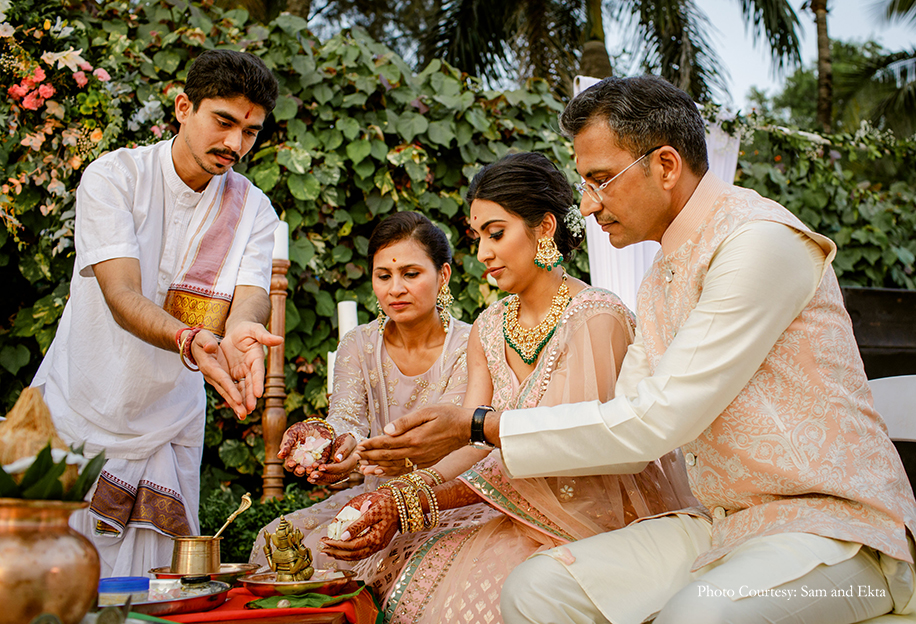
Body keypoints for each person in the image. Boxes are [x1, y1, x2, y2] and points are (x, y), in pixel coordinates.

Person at [357, 76, 916, 624]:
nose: (587, 204)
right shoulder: (660, 277)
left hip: (832, 529)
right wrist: (442, 452)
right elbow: (624, 430)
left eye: (600, 180)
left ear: (666, 166)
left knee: (700, 615)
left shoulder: (758, 242)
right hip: (723, 522)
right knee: (536, 588)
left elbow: (655, 421)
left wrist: (477, 425)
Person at [322, 153, 697, 624]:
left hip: (590, 516)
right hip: (510, 505)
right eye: (478, 237)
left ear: (545, 229)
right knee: (409, 566)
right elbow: (472, 440)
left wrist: (411, 502)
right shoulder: (489, 325)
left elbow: (567, 449)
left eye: (496, 234)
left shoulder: (595, 317)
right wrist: (411, 488)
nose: (482, 253)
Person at [31, 49, 284, 577]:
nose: (235, 144)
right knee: (53, 582)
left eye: (250, 132)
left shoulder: (254, 209)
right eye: (224, 122)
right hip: (81, 407)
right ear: (183, 107)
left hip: (169, 426)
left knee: (157, 590)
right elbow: (122, 295)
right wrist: (190, 340)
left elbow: (250, 296)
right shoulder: (115, 178)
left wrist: (242, 330)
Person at [250, 211, 478, 579]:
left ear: (444, 275)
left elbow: (453, 440)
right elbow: (347, 420)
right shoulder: (358, 344)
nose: (395, 289)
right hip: (371, 494)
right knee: (278, 539)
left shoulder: (471, 344)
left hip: (442, 497)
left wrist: (370, 462)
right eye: (383, 276)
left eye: (411, 274)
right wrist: (331, 447)